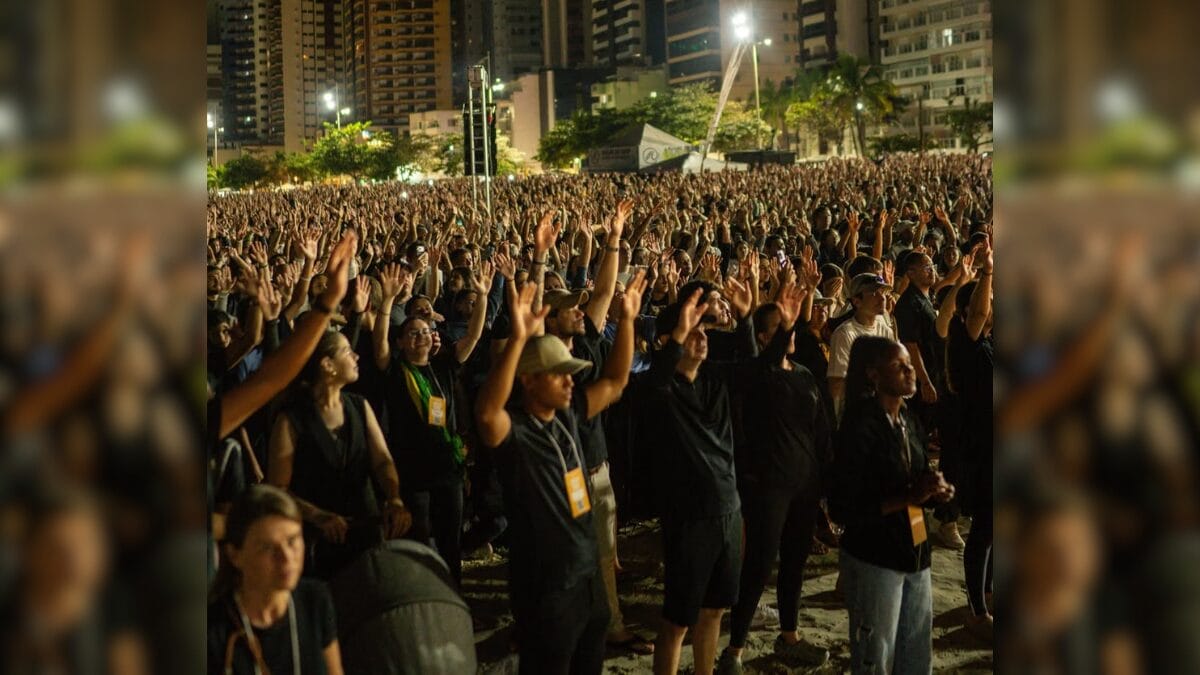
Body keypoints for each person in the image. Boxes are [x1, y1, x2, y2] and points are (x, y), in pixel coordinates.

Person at [475, 272, 646, 675]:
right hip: (546, 586)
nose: (570, 380)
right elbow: (486, 413)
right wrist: (518, 341)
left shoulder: (567, 416)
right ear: (530, 381)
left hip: (587, 578)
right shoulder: (514, 431)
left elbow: (617, 381)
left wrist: (626, 321)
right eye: (559, 373)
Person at [644, 279, 756, 675]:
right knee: (678, 620)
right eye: (693, 332)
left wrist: (744, 320)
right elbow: (655, 380)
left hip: (727, 509)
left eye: (705, 331)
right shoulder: (661, 391)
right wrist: (678, 332)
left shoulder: (716, 380)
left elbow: (755, 372)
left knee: (714, 611)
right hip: (688, 517)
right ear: (669, 340)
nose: (702, 338)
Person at [718, 286, 831, 674]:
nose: (792, 334)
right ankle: (734, 649)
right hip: (769, 484)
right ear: (765, 338)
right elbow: (760, 362)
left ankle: (789, 635)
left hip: (804, 483)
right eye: (783, 329)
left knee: (795, 561)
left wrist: (825, 482)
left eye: (792, 329)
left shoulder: (803, 375)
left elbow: (820, 431)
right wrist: (767, 324)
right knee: (760, 564)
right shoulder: (759, 376)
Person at [830, 337, 955, 675]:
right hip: (875, 556)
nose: (910, 370)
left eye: (910, 364)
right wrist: (906, 498)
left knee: (915, 648)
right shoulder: (859, 425)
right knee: (877, 653)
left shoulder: (907, 418)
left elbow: (915, 472)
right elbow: (842, 507)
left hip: (915, 548)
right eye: (899, 366)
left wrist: (934, 486)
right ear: (873, 374)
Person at [372, 261, 494, 585]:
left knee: (450, 543)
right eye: (412, 334)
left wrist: (482, 296)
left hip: (448, 471)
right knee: (422, 545)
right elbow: (380, 346)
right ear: (401, 342)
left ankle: (454, 598)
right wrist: (386, 303)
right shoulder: (395, 373)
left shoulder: (443, 366)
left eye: (425, 332)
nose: (421, 337)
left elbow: (474, 335)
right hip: (414, 476)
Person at [266, 331, 413, 579]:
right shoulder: (291, 419)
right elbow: (278, 488)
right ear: (327, 365)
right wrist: (318, 516)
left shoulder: (359, 406)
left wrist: (394, 498)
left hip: (364, 531)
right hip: (318, 541)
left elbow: (382, 460)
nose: (356, 356)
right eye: (347, 351)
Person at [207, 485, 344, 675]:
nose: (287, 557)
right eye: (268, 548)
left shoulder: (314, 599)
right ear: (235, 555)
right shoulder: (213, 628)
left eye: (292, 541)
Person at [945, 241, 994, 640]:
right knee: (985, 528)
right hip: (983, 450)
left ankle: (990, 595)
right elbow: (978, 310)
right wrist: (987, 273)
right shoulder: (967, 343)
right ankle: (977, 609)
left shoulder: (992, 342)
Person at [828, 273, 896, 416]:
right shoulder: (845, 334)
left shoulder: (885, 330)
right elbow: (836, 385)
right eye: (873, 293)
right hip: (857, 413)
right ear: (856, 301)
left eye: (882, 292)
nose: (882, 297)